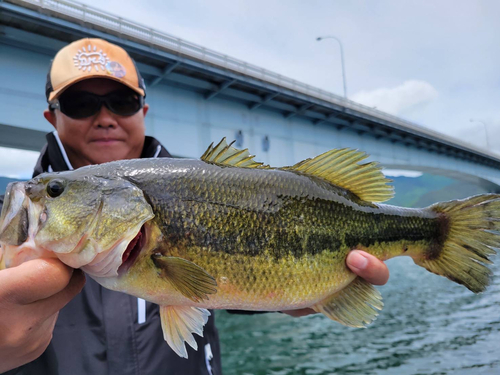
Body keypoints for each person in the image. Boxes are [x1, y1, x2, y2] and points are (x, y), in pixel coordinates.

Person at [0, 38, 389, 375]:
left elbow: (228, 286)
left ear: (143, 112)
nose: (105, 118)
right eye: (81, 103)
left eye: (122, 101)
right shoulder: (16, 227)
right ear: (53, 117)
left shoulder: (200, 188)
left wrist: (301, 294)